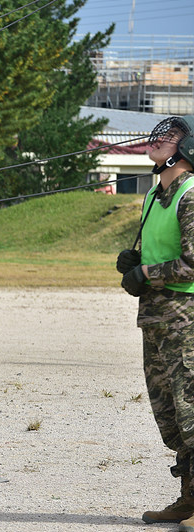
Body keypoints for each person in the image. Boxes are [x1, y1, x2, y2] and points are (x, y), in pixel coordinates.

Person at [117, 115, 194, 529]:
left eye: (170, 136)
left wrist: (147, 274)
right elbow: (163, 251)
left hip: (187, 318)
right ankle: (189, 497)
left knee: (192, 408)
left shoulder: (191, 194)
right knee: (170, 413)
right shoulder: (155, 195)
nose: (157, 139)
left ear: (187, 149)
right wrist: (134, 261)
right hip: (156, 317)